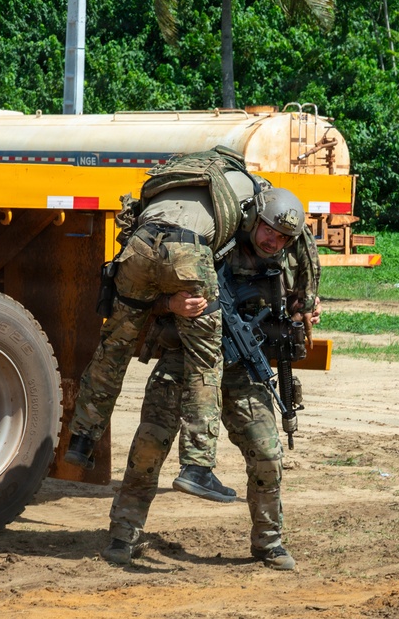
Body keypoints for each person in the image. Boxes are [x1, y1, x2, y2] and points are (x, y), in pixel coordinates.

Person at [100, 188, 322, 570]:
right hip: (183, 362)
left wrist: (304, 312)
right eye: (269, 231)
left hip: (240, 368)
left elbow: (289, 309)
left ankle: (268, 542)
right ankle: (124, 535)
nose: (274, 241)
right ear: (255, 221)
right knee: (149, 446)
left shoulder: (286, 262)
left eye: (283, 237)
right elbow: (133, 297)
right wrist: (170, 305)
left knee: (267, 452)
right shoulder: (210, 244)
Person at [65, 147, 296, 503]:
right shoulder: (250, 186)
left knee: (113, 349)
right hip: (188, 250)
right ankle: (197, 466)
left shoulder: (181, 173)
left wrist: (162, 299)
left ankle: (81, 440)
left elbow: (134, 221)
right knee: (205, 363)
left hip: (141, 244)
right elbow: (282, 226)